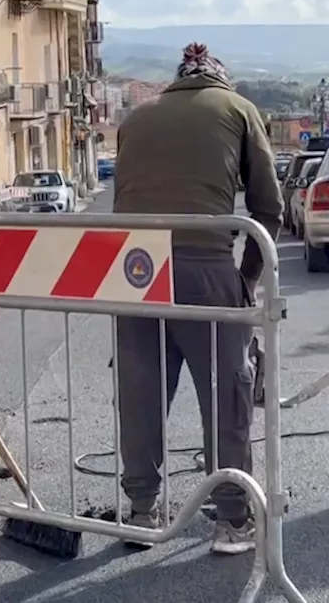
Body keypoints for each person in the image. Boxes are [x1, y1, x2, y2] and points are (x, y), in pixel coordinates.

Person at [112, 43, 283, 555]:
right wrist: (247, 280)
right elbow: (268, 208)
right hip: (204, 266)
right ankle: (233, 519)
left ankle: (141, 510)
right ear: (220, 81)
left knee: (141, 392)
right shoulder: (239, 110)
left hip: (133, 272)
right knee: (225, 397)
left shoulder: (136, 117)